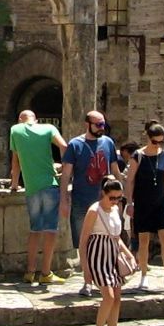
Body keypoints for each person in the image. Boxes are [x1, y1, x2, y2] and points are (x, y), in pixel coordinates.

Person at [9, 108, 69, 287]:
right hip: (50, 185)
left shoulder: (15, 130)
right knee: (50, 230)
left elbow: (15, 161)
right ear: (36, 119)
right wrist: (65, 169)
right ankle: (46, 273)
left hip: (31, 187)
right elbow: (64, 146)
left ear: (21, 119)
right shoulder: (49, 128)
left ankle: (29, 272)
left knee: (35, 230)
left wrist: (14, 184)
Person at [79, 176, 138, 326]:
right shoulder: (93, 211)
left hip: (112, 255)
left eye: (118, 198)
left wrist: (128, 254)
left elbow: (116, 236)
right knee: (109, 296)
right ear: (103, 193)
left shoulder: (115, 209)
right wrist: (85, 269)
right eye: (112, 197)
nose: (115, 201)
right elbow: (83, 241)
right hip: (97, 255)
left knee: (117, 299)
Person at [61, 111, 118, 296]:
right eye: (98, 125)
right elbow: (66, 175)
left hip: (105, 204)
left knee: (108, 240)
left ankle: (107, 278)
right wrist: (64, 200)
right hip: (81, 201)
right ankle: (87, 282)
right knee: (83, 244)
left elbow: (115, 170)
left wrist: (122, 194)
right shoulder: (75, 145)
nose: (102, 128)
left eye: (103, 125)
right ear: (88, 124)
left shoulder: (108, 143)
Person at [124, 121, 164, 290]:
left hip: (159, 202)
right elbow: (130, 180)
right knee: (144, 239)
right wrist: (129, 202)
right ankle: (143, 276)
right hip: (142, 202)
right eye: (155, 141)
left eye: (161, 142)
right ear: (148, 138)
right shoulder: (138, 156)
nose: (158, 145)